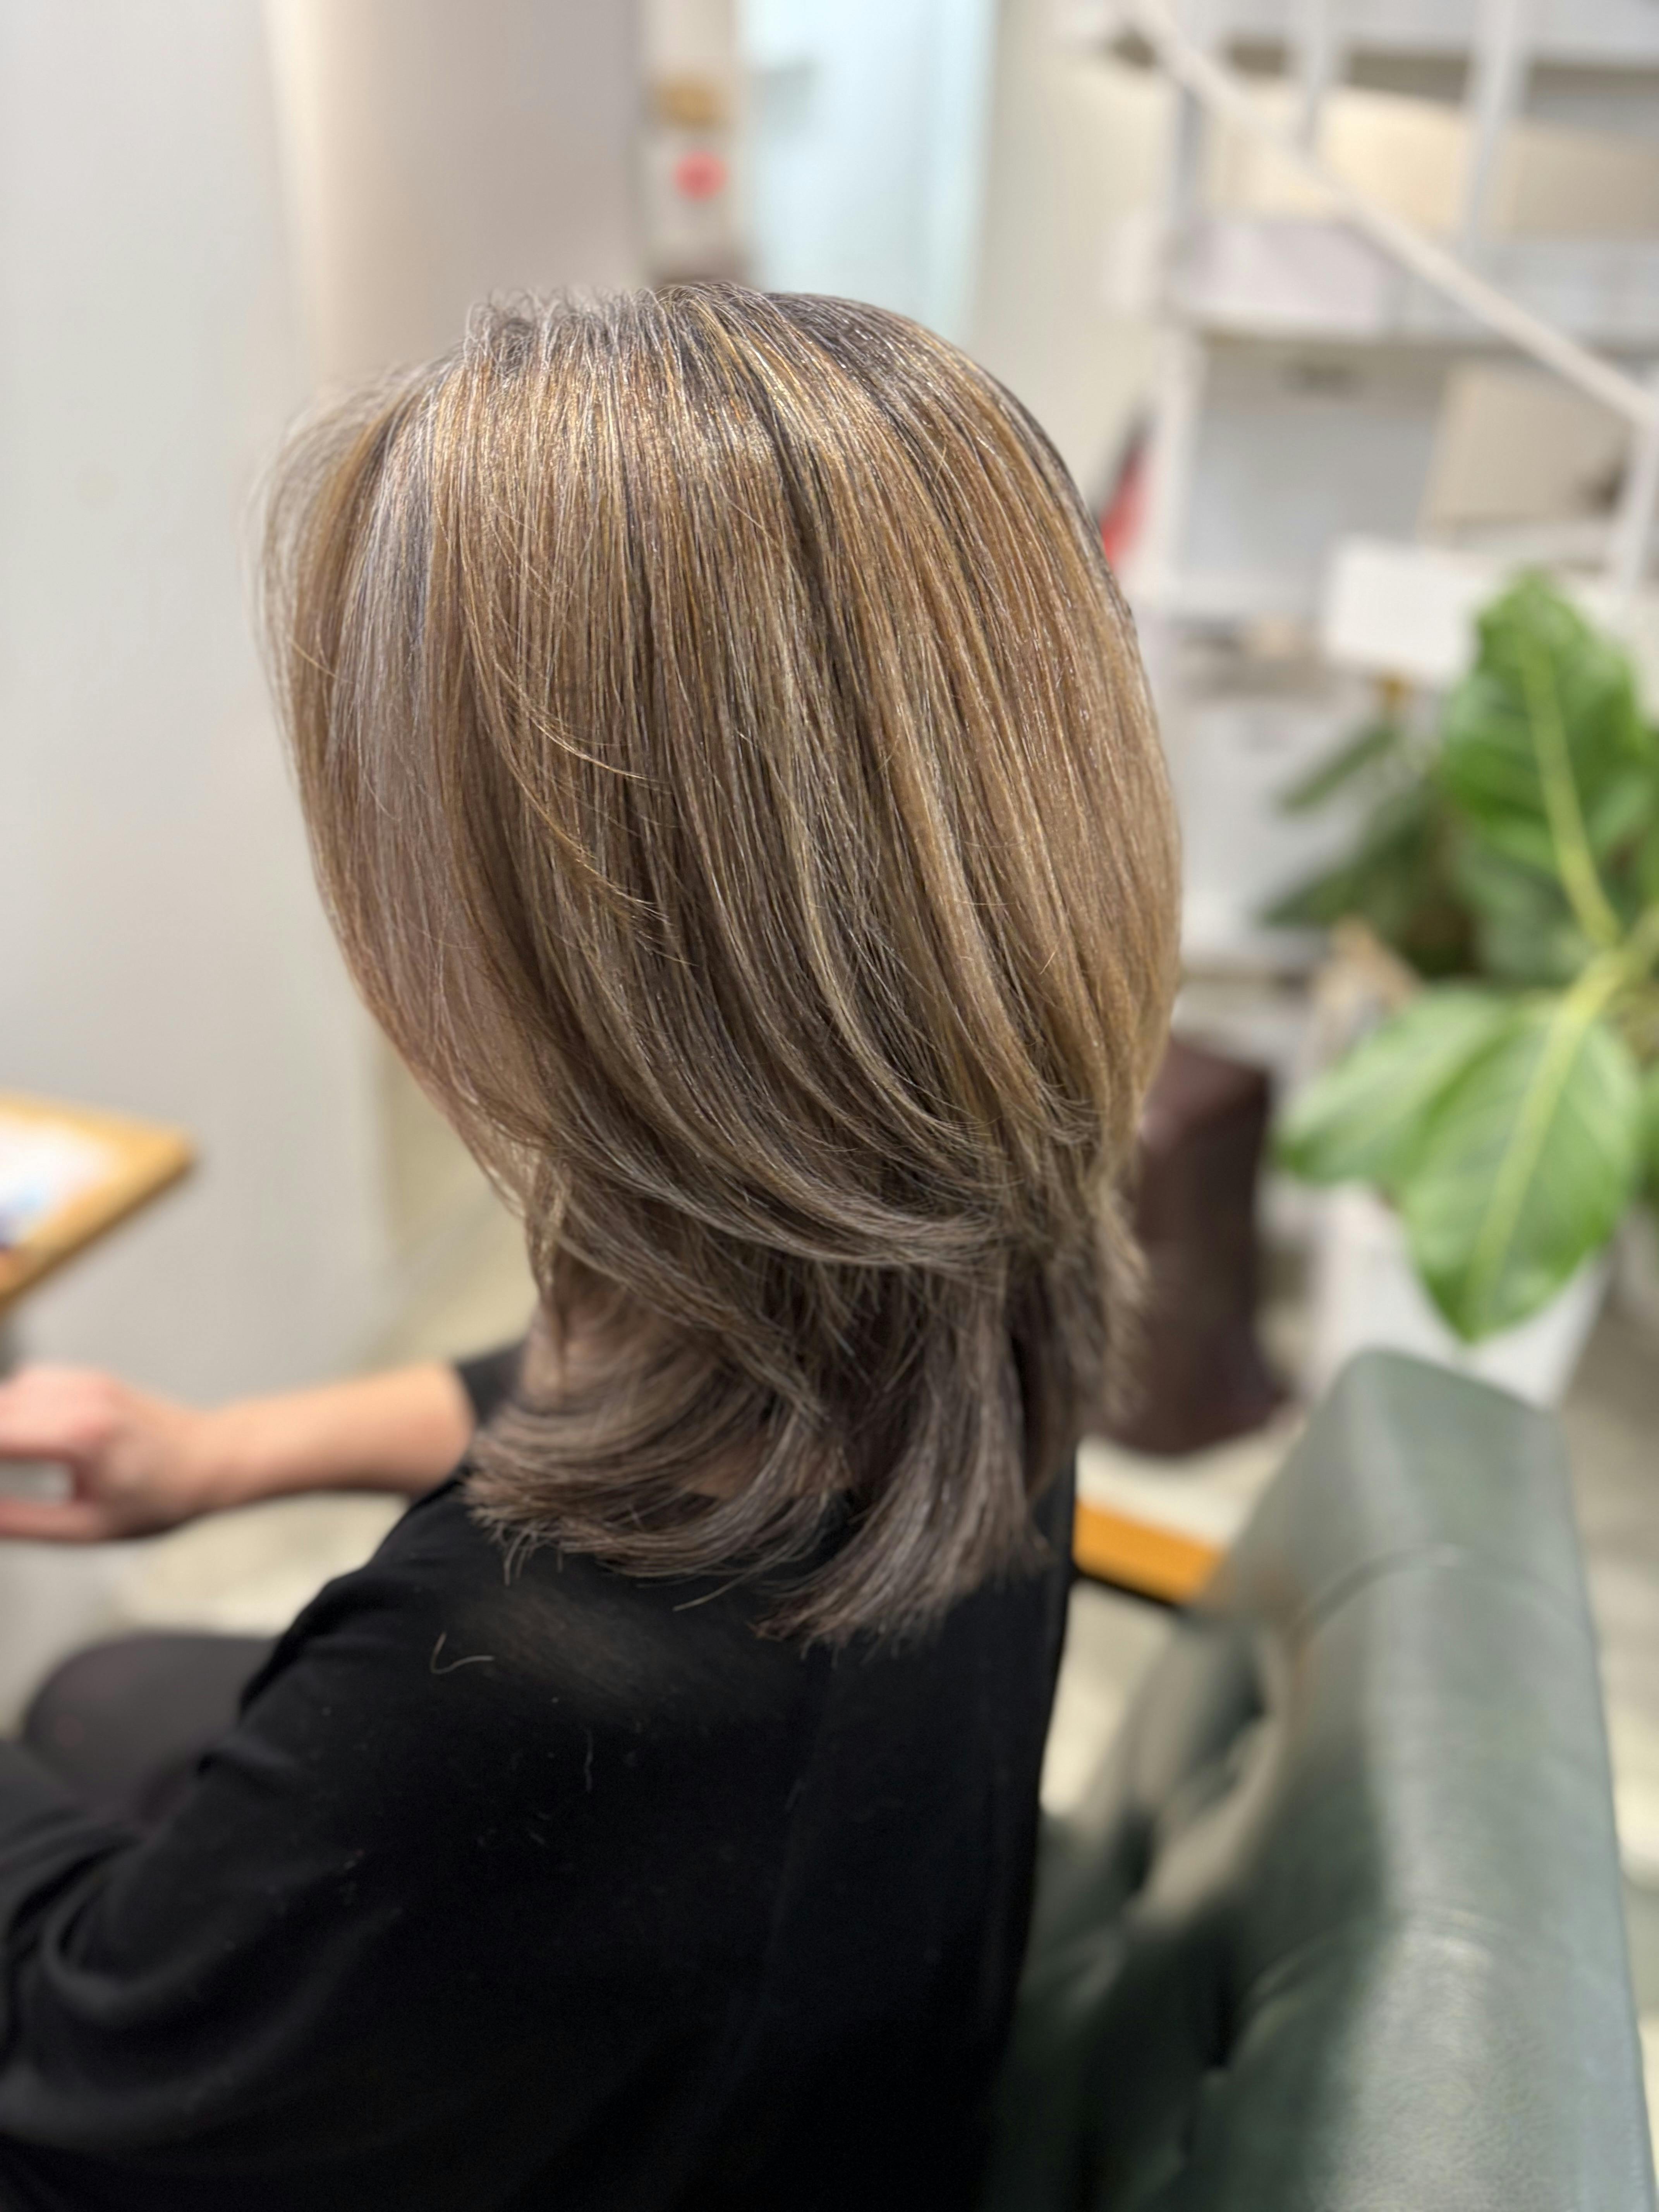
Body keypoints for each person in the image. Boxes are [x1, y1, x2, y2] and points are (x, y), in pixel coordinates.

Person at [0, 285, 1178, 2210]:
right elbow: (632, 1402)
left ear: (591, 926)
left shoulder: (517, 1675)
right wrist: (223, 1456)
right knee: (95, 1704)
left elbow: (72, 2087)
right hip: (799, 2023)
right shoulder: (979, 1282)